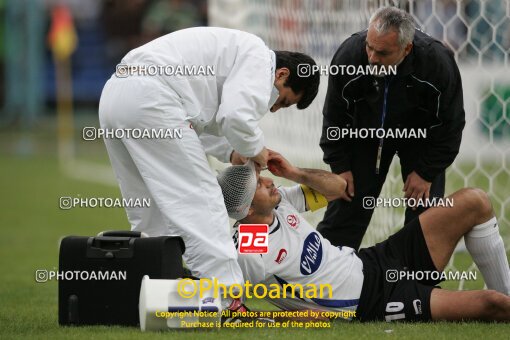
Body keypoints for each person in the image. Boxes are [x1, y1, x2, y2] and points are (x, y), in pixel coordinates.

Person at [98, 27, 320, 310]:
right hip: (151, 100)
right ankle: (228, 301)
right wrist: (257, 150)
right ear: (282, 75)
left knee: (149, 212)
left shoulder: (231, 56)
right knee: (202, 201)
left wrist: (232, 151)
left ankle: (149, 296)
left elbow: (195, 122)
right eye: (283, 101)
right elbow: (235, 117)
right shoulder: (259, 57)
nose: (274, 109)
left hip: (116, 95)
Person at [217, 151, 510, 322]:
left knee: (474, 201)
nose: (269, 180)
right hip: (374, 301)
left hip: (373, 260)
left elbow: (337, 188)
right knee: (491, 304)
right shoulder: (249, 241)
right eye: (259, 184)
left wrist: (294, 172)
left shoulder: (282, 203)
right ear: (248, 207)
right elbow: (222, 284)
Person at [318, 6, 466, 249]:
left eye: (383, 52)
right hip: (365, 136)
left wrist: (427, 172)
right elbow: (334, 117)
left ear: (406, 48)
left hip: (421, 140)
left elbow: (451, 125)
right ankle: (320, 279)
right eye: (370, 47)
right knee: (346, 206)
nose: (373, 58)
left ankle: (419, 285)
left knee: (426, 219)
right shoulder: (349, 55)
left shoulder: (436, 62)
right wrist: (340, 166)